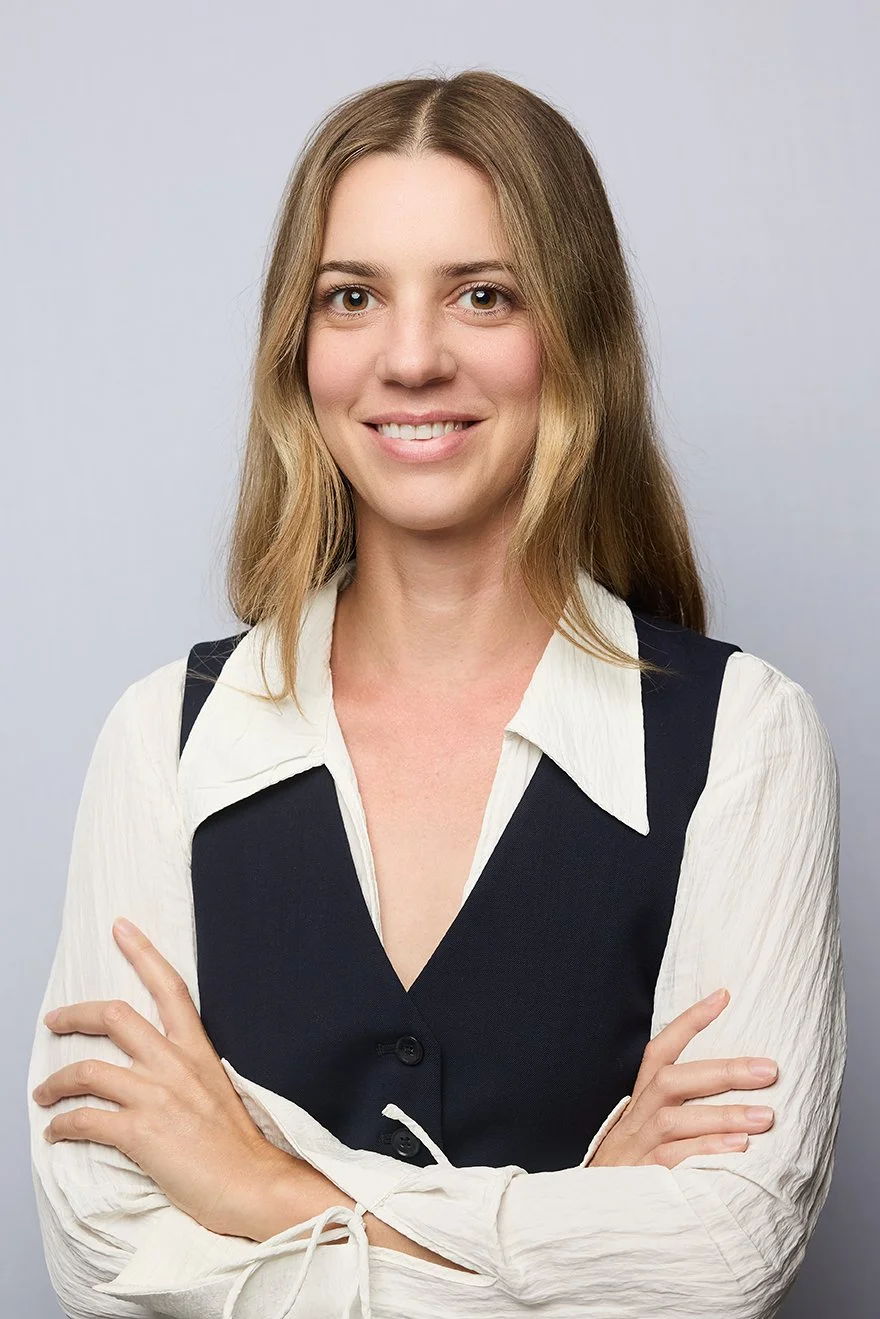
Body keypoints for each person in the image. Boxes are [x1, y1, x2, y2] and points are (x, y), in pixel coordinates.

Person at [27, 70, 845, 1318]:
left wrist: (258, 1185)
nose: (411, 358)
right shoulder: (165, 740)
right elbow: (104, 1255)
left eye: (481, 295)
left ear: (572, 331)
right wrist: (574, 1221)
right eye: (352, 297)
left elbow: (718, 1260)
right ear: (298, 349)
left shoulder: (745, 739)